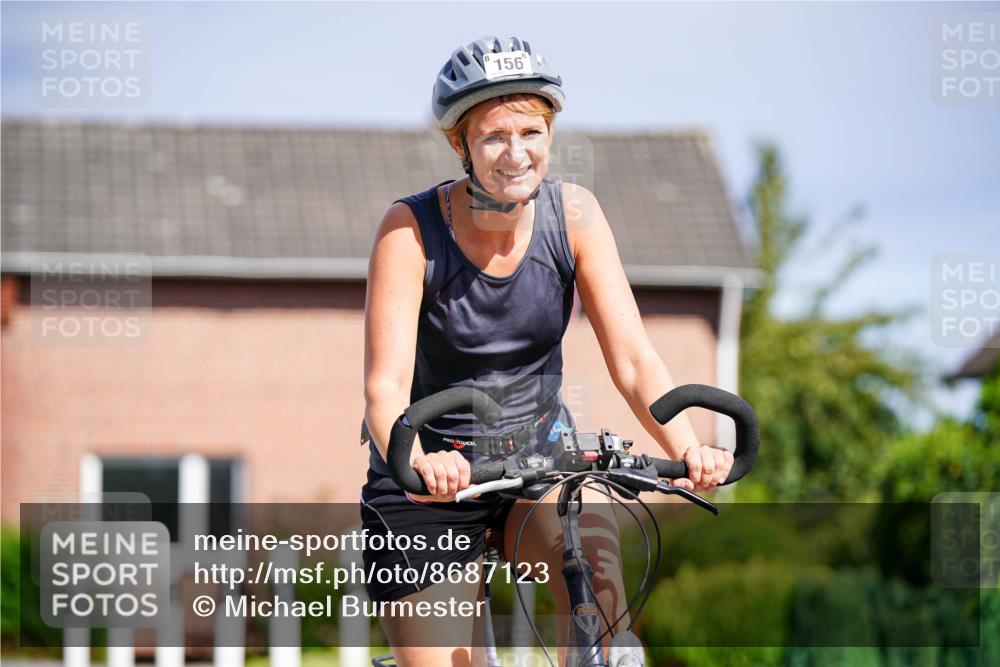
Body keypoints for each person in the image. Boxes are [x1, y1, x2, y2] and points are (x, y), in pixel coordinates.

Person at [360, 35, 734, 666]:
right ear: (460, 144)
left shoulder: (574, 217)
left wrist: (688, 447)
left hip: (539, 458)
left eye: (531, 133)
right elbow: (384, 389)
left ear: (551, 131)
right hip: (428, 476)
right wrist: (420, 459)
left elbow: (636, 361)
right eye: (494, 137)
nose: (516, 154)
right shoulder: (410, 230)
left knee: (599, 600)